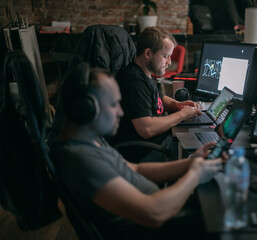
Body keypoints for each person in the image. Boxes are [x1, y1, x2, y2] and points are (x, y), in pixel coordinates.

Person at [51, 64, 224, 239]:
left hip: (161, 211)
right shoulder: (83, 160)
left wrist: (191, 163)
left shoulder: (91, 141)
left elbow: (136, 169)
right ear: (87, 109)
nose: (120, 112)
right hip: (155, 227)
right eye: (113, 104)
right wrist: (195, 174)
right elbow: (154, 213)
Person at [111, 26, 202, 162]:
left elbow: (157, 98)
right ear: (148, 54)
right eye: (165, 56)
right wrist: (182, 114)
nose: (169, 62)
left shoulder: (145, 73)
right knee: (195, 150)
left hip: (157, 142)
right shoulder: (135, 81)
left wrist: (177, 105)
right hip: (143, 153)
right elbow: (146, 129)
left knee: (194, 140)